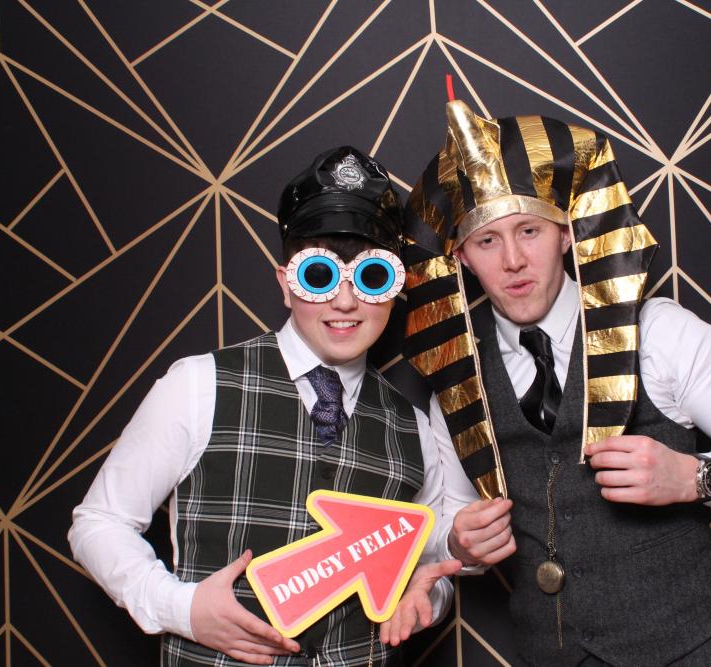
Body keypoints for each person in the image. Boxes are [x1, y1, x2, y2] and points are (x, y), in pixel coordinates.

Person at [402, 101, 711, 665]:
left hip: (688, 648)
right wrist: (457, 542)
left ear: (566, 232)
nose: (513, 260)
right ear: (463, 257)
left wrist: (695, 476)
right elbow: (451, 515)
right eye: (487, 241)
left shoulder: (659, 332)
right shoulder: (457, 372)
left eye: (529, 230)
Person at [69, 146, 462, 667]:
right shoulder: (198, 385)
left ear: (394, 290)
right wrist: (181, 608)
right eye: (320, 276)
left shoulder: (414, 427)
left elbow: (427, 565)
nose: (345, 302)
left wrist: (429, 597)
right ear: (285, 285)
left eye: (370, 278)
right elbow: (98, 522)